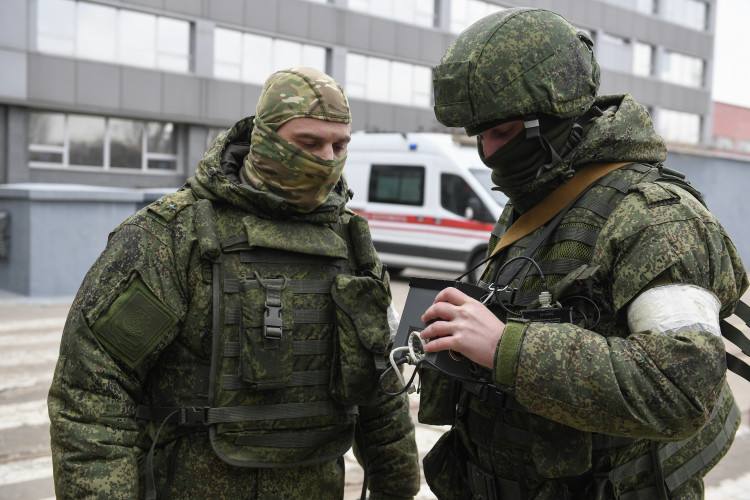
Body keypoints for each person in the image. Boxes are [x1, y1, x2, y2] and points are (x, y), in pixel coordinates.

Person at [416, 8, 748, 500]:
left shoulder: (656, 217)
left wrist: (510, 348)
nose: (487, 152)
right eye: (478, 134)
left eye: (503, 132)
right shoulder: (533, 205)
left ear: (557, 117)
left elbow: (680, 390)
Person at [48, 67, 420, 500]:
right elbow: (94, 387)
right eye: (309, 143)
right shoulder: (173, 235)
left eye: (339, 145)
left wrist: (397, 486)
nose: (326, 159)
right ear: (264, 137)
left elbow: (379, 378)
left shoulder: (349, 241)